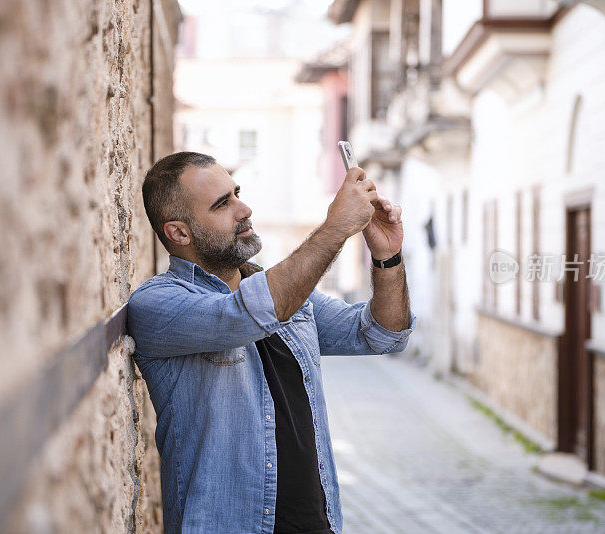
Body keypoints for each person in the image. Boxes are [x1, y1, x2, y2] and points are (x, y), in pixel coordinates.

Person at [126, 151, 415, 534]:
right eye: (222, 204)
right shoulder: (158, 305)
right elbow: (248, 314)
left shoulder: (286, 295)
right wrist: (336, 227)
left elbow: (382, 334)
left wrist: (387, 256)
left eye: (237, 193)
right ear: (179, 232)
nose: (244, 209)